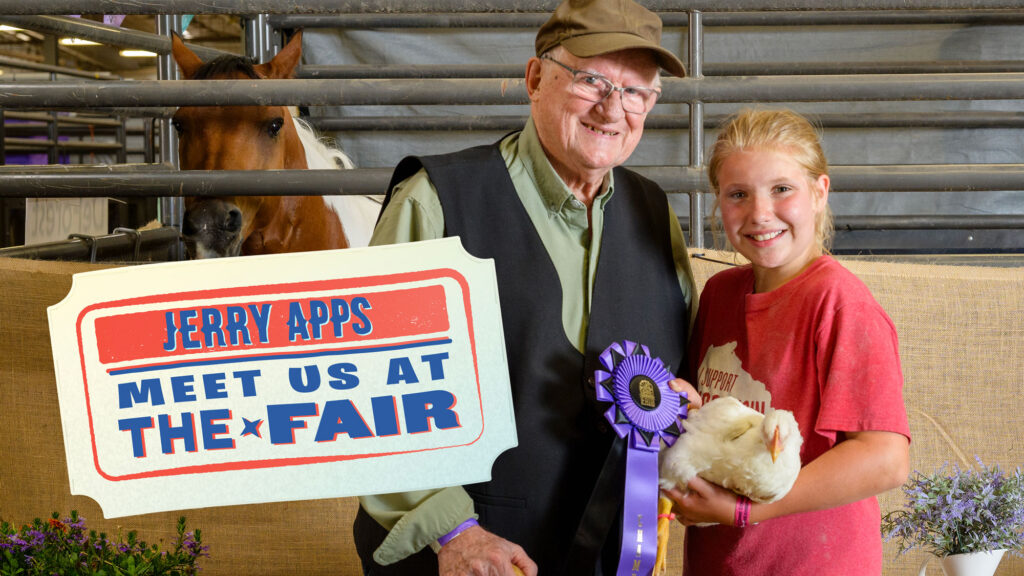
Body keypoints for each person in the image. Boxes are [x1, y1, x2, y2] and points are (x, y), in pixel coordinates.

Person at [352, 0, 699, 574]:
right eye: (592, 80)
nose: (614, 108)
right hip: (460, 557)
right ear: (536, 78)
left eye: (636, 91)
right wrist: (453, 532)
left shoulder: (655, 214)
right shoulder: (436, 199)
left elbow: (667, 385)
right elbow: (368, 388)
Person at [661, 108, 911, 575]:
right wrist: (688, 412)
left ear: (819, 192)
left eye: (782, 189)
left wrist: (746, 512)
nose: (760, 213)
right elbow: (726, 425)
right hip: (723, 562)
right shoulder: (719, 294)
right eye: (739, 194)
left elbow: (886, 459)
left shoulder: (839, 303)